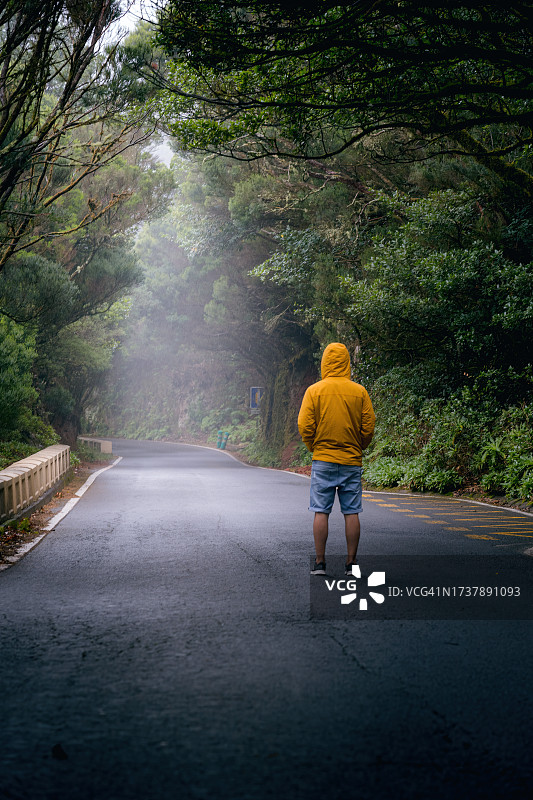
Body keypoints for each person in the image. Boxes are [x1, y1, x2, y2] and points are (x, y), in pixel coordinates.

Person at [297, 342, 376, 576]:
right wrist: (358, 446)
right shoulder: (359, 391)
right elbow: (368, 426)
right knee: (351, 512)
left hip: (323, 460)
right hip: (351, 460)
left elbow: (304, 425)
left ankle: (320, 563)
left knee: (321, 511)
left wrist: (315, 447)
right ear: (347, 363)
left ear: (324, 363)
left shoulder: (314, 391)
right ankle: (351, 564)